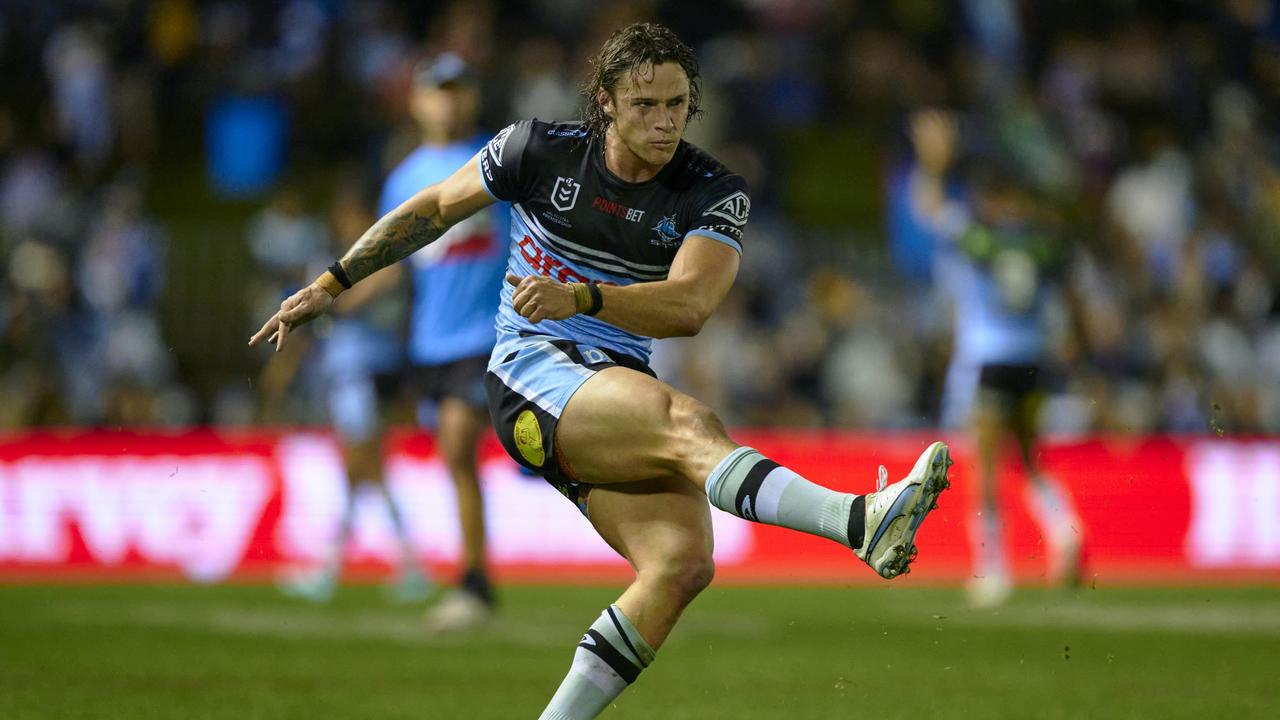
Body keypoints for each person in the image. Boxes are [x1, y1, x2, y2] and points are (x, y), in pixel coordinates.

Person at [252, 23, 952, 719]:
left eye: (677, 104)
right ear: (605, 101)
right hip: (530, 373)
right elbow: (433, 208)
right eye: (645, 104)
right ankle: (855, 519)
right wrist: (332, 282)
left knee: (681, 564)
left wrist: (583, 296)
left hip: (606, 384)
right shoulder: (536, 149)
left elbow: (690, 306)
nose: (664, 120)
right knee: (688, 421)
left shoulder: (713, 191)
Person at [906, 109, 1084, 608]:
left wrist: (933, 164)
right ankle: (1063, 527)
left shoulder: (977, 236)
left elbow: (928, 208)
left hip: (988, 361)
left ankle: (993, 569)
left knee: (983, 467)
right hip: (1034, 361)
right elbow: (1067, 297)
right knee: (1028, 457)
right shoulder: (1042, 242)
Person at [379, 53, 509, 631]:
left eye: (458, 90)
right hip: (430, 341)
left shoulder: (498, 160)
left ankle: (474, 581)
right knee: (457, 458)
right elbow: (389, 258)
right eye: (438, 90)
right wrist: (330, 296)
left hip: (489, 332)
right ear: (417, 100)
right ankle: (476, 577)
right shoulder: (403, 178)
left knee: (458, 443)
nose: (448, 101)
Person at [271, 184, 431, 605]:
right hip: (348, 372)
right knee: (366, 470)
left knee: (360, 467)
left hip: (364, 373)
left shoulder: (376, 263)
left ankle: (334, 568)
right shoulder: (336, 266)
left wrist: (332, 297)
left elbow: (360, 297)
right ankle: (406, 565)